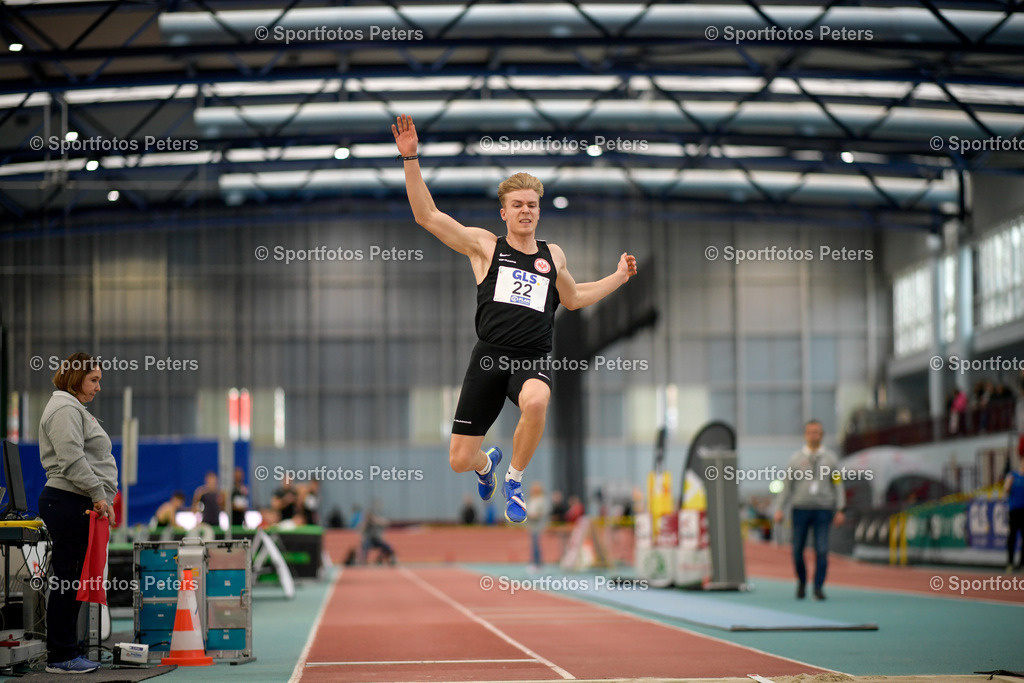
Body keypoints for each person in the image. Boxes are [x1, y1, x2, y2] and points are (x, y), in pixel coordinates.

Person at [392, 114, 637, 523]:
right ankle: (487, 465)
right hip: (488, 357)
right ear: (503, 212)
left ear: (539, 211)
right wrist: (411, 159)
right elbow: (428, 216)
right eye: (517, 205)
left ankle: (514, 479)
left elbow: (573, 299)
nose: (526, 211)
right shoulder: (485, 247)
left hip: (533, 356)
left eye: (532, 205)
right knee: (458, 459)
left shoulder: (552, 254)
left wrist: (618, 277)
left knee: (538, 402)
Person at [37, 352, 117, 674]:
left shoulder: (73, 409)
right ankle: (61, 656)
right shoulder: (65, 409)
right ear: (75, 378)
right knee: (67, 580)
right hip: (69, 501)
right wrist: (99, 495)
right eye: (93, 380)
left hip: (74, 502)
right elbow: (72, 460)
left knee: (72, 579)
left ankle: (68, 648)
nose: (98, 387)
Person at [774, 420, 846, 600]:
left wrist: (840, 509)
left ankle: (818, 587)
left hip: (823, 510)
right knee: (797, 550)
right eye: (810, 432)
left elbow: (837, 484)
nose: (813, 435)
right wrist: (779, 508)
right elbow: (787, 485)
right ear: (805, 435)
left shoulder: (830, 459)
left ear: (821, 435)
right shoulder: (796, 459)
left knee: (822, 550)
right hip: (800, 509)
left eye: (817, 432)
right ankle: (802, 581)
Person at [1004, 457, 1024, 573]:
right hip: (1014, 510)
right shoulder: (1013, 476)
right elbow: (1005, 490)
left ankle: (1021, 563)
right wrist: (1008, 485)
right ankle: (1010, 563)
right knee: (1012, 536)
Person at [526, 481, 549, 570]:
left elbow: (542, 513)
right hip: (532, 526)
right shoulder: (531, 499)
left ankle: (538, 564)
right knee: (534, 545)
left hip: (538, 526)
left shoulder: (542, 500)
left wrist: (534, 516)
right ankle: (535, 562)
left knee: (536, 545)